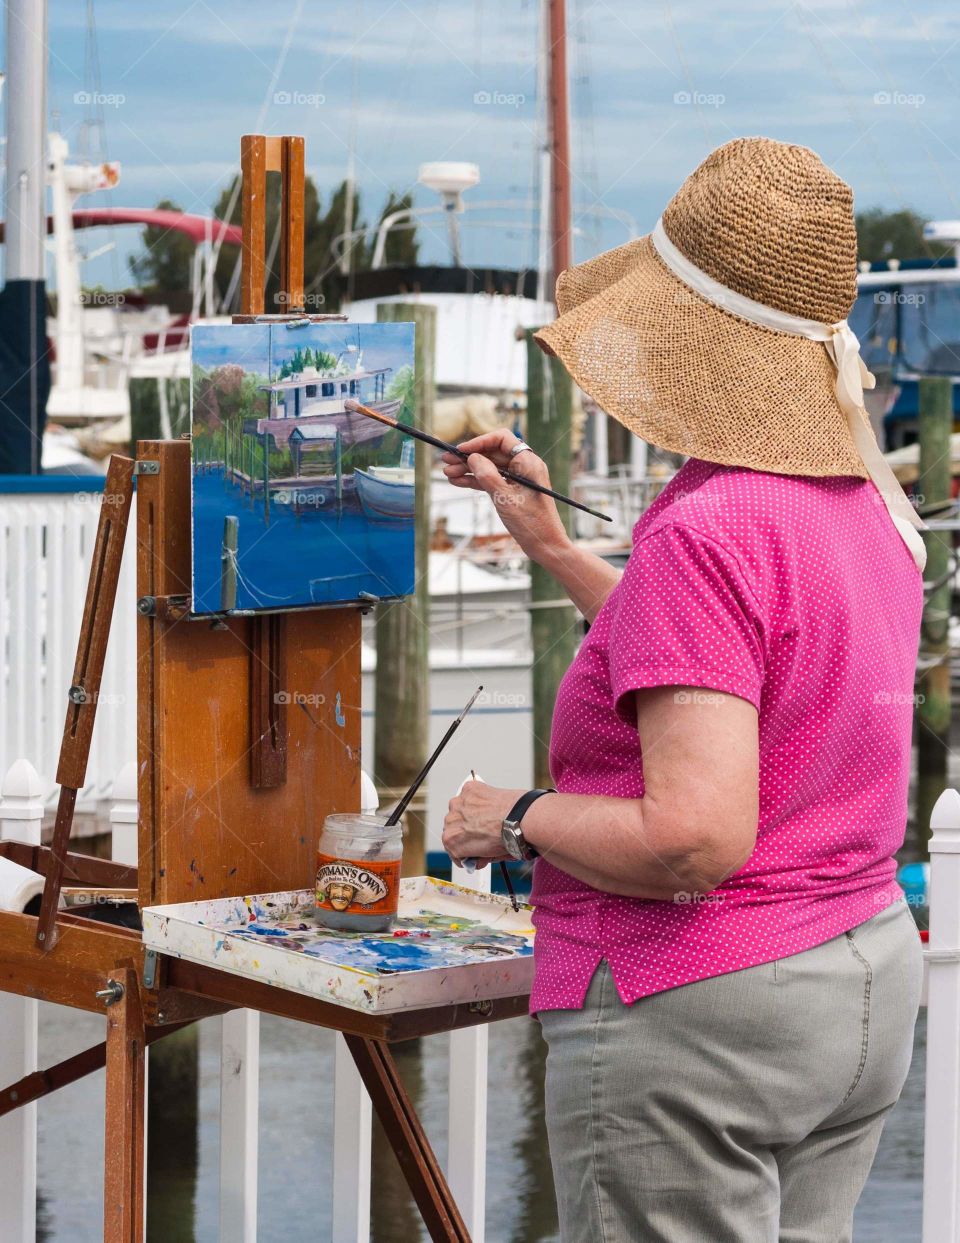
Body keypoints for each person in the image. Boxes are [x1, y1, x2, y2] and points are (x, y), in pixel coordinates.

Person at [441, 137, 925, 1243]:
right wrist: (557, 547)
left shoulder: (708, 525)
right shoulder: (860, 493)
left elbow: (692, 839)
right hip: (853, 976)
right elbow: (726, 665)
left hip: (702, 1010)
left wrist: (515, 819)